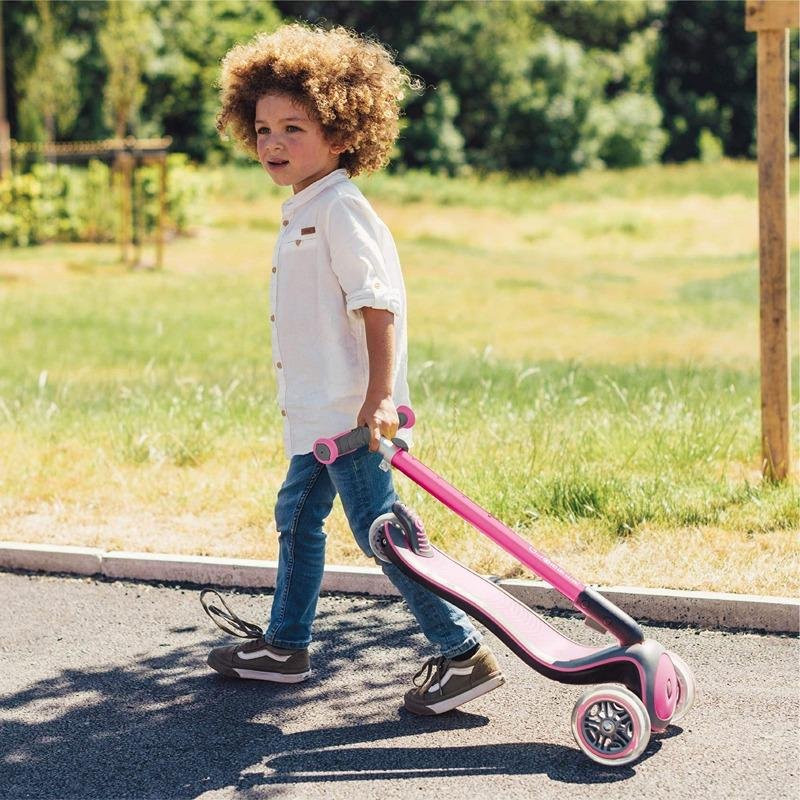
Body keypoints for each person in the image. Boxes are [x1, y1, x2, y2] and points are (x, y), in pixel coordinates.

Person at [207, 23, 504, 715]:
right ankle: (285, 646)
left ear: (342, 133)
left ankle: (461, 652)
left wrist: (379, 400)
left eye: (294, 128)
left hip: (352, 417)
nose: (273, 143)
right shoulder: (304, 209)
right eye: (263, 128)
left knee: (382, 532)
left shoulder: (341, 210)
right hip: (318, 416)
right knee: (297, 518)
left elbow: (379, 306)